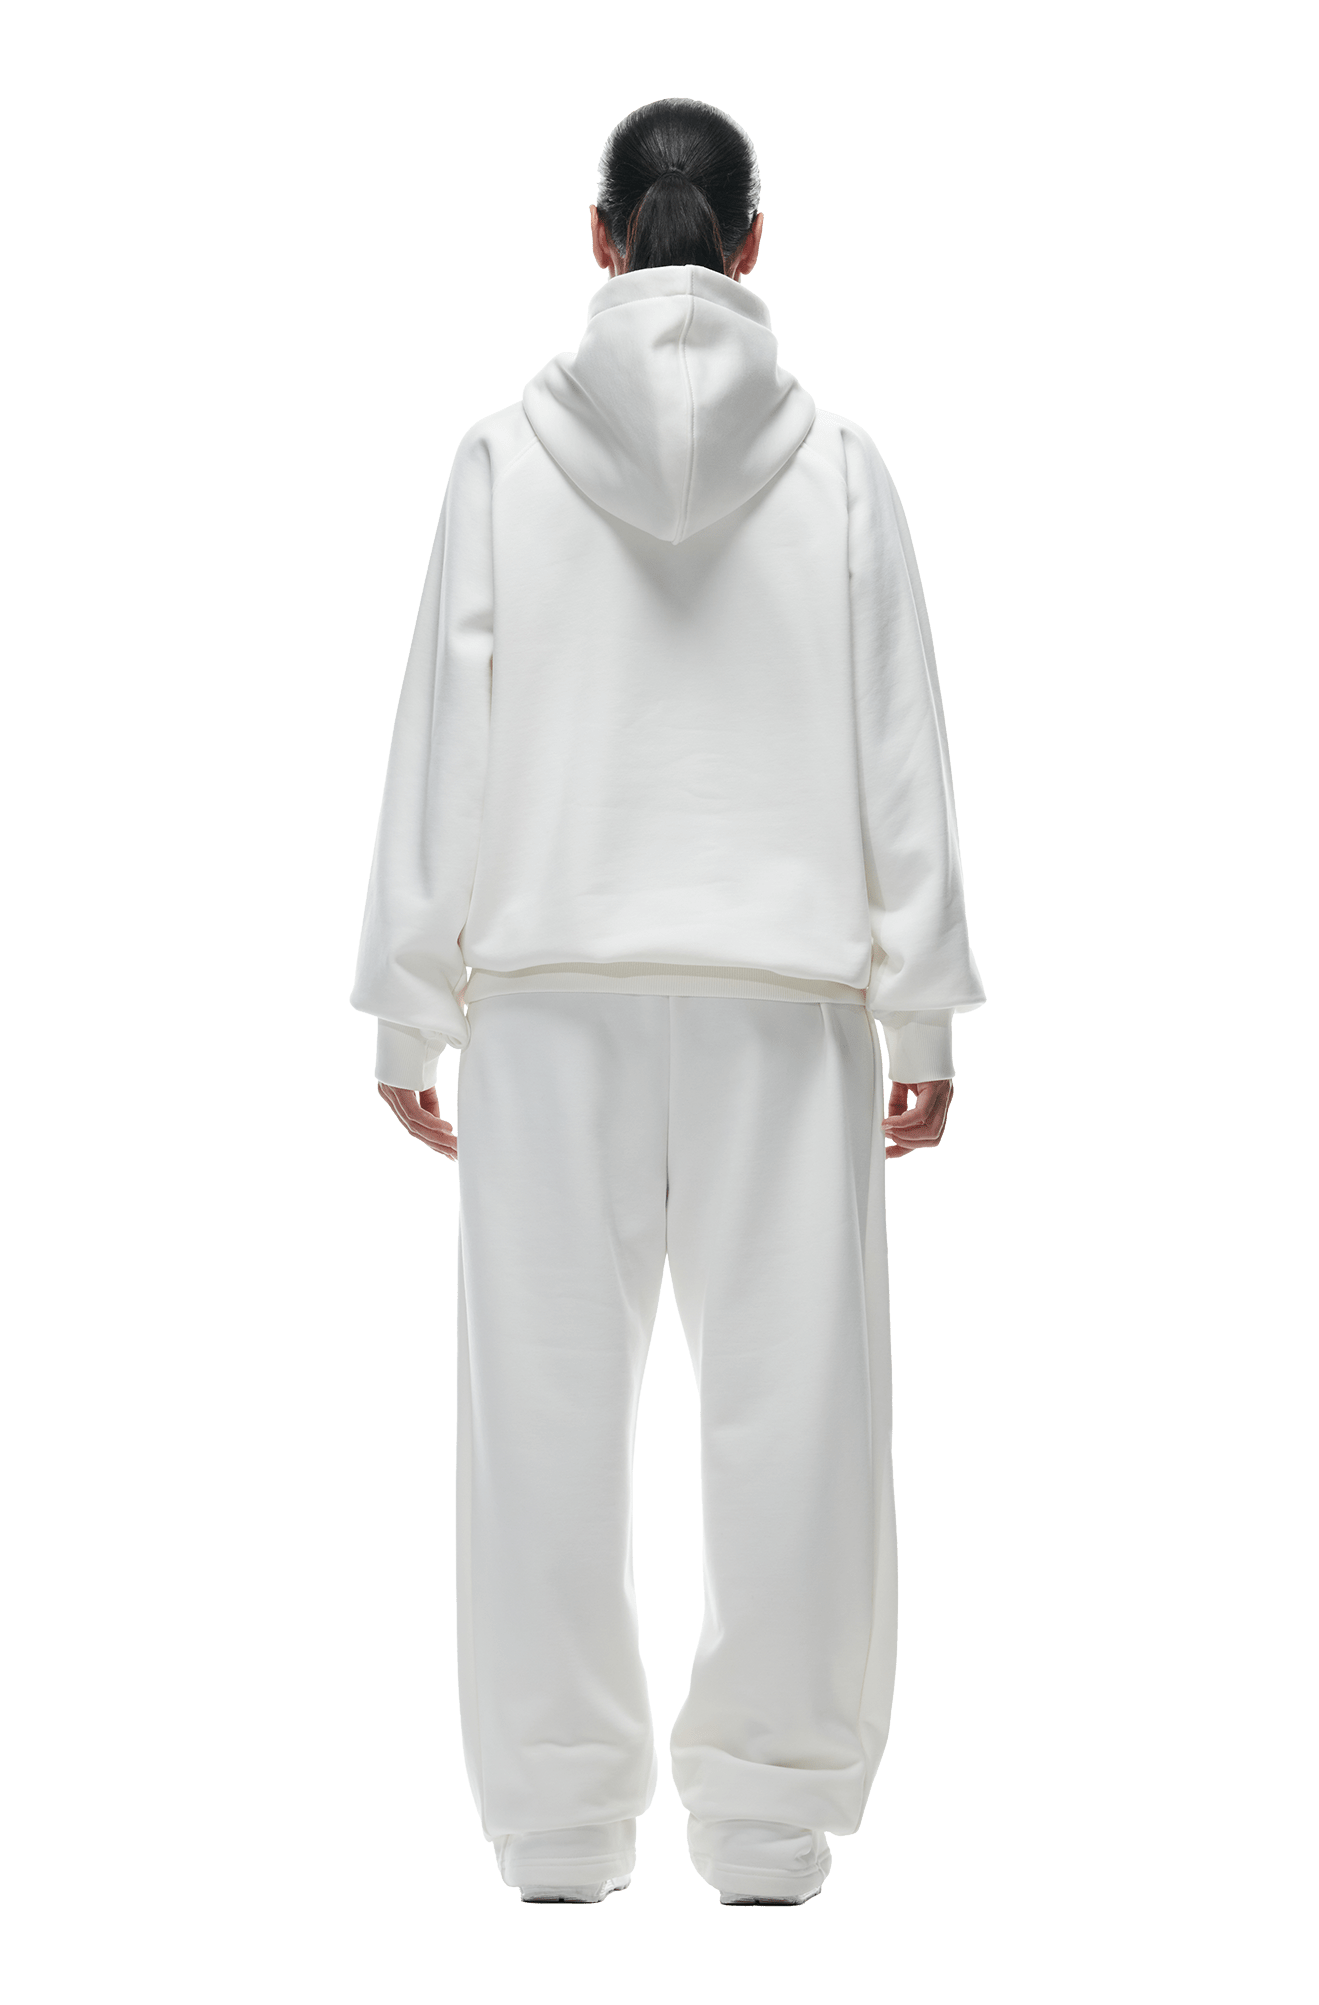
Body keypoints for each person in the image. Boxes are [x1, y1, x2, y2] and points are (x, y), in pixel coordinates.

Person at [350, 96, 986, 1910]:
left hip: (550, 992)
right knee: (800, 1412)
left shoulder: (503, 460)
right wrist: (919, 1011)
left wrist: (412, 1001)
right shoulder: (841, 470)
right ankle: (769, 1826)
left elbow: (444, 729)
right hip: (788, 1002)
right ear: (754, 244)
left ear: (602, 237)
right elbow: (899, 744)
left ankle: (556, 1828)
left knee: (541, 1418)